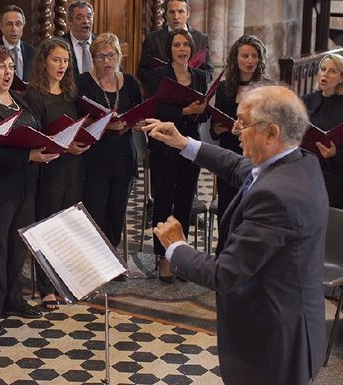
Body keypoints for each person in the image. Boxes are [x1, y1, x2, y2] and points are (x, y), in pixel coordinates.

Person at [145, 84, 327, 385]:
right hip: (292, 321)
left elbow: (226, 273)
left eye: (243, 122)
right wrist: (184, 143)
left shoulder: (277, 197)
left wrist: (176, 246)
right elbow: (238, 167)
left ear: (271, 133)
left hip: (271, 343)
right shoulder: (300, 162)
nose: (235, 129)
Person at [0, 45, 59, 337]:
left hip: (25, 184)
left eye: (10, 66)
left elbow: (34, 130)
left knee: (18, 245)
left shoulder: (18, 98)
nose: (8, 72)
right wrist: (28, 156)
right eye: (1, 67)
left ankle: (13, 299)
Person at [25, 38, 89, 310]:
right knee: (46, 227)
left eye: (65, 60)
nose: (62, 65)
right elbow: (34, 135)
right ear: (44, 62)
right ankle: (46, 287)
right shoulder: (34, 94)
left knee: (67, 226)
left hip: (72, 167)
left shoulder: (70, 93)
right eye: (56, 60)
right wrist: (62, 143)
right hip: (48, 168)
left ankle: (65, 281)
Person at [144, 28, 207, 282]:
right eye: (177, 45)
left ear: (191, 49)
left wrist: (197, 111)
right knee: (163, 200)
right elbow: (154, 107)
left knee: (184, 201)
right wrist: (183, 111)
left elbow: (206, 114)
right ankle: (163, 256)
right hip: (163, 145)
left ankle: (179, 254)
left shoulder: (200, 76)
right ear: (169, 49)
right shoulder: (157, 75)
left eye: (186, 45)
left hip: (190, 144)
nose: (182, 49)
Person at [76, 33, 141, 250]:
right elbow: (77, 122)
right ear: (92, 58)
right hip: (95, 157)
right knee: (95, 211)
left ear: (118, 56)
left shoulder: (130, 82)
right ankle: (96, 260)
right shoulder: (83, 82)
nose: (106, 61)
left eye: (111, 55)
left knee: (117, 211)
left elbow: (139, 112)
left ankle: (112, 256)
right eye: (100, 56)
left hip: (123, 156)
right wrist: (103, 125)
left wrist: (135, 122)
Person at [211, 35, 269, 253]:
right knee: (227, 208)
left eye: (254, 56)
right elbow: (214, 128)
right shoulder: (225, 88)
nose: (250, 60)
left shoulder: (267, 89)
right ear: (236, 59)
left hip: (256, 158)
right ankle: (223, 256)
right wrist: (220, 128)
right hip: (229, 158)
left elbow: (273, 126)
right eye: (245, 56)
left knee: (252, 210)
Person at [138, 0, 212, 87]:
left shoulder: (201, 39)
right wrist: (159, 79)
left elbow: (208, 71)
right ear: (166, 14)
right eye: (172, 12)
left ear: (188, 13)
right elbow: (142, 72)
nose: (176, 17)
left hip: (193, 93)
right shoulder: (153, 39)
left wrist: (193, 79)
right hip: (162, 93)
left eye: (180, 11)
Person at [302, 53, 343, 208]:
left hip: (335, 177)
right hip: (307, 171)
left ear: (341, 77)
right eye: (323, 69)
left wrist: (335, 154)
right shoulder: (307, 100)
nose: (325, 74)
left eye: (332, 71)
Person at [60, 1, 97, 76]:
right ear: (70, 21)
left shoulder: (102, 42)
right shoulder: (60, 44)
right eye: (80, 18)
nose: (86, 21)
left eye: (89, 17)